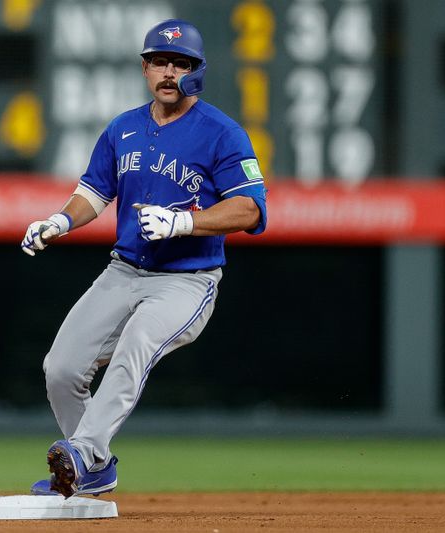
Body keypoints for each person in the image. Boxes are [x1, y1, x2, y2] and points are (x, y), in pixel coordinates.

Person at [21, 18, 267, 498]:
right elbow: (94, 192)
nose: (169, 71)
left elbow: (251, 207)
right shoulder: (124, 129)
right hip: (124, 270)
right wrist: (60, 221)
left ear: (197, 70)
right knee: (62, 367)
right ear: (145, 68)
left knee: (135, 346)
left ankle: (85, 452)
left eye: (181, 63)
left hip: (187, 279)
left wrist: (185, 222)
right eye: (160, 61)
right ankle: (95, 469)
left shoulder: (221, 131)